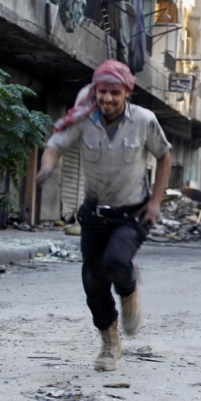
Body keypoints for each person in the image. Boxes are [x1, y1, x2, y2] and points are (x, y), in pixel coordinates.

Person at [37, 60, 172, 372]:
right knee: (93, 281)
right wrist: (48, 165)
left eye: (114, 93)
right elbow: (54, 145)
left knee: (115, 262)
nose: (107, 99)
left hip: (133, 213)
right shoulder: (84, 120)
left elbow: (164, 156)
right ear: (95, 92)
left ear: (125, 92)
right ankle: (110, 343)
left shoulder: (143, 120)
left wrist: (155, 202)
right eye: (102, 92)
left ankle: (128, 288)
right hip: (95, 214)